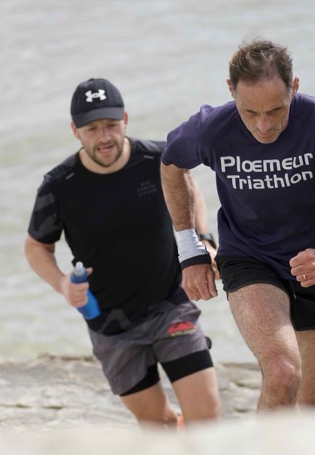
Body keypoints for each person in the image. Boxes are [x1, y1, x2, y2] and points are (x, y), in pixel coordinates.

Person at [160, 39, 315, 411]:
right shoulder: (211, 129)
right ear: (231, 90)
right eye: (250, 112)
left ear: (295, 87)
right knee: (283, 370)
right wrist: (190, 251)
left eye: (276, 110)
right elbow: (171, 166)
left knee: (314, 412)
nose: (264, 125)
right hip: (249, 258)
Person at [24, 78, 223, 427]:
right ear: (75, 130)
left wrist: (202, 241)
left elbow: (191, 192)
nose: (104, 137)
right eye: (92, 128)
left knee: (206, 421)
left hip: (170, 304)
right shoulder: (59, 186)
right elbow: (36, 246)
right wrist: (62, 285)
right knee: (159, 426)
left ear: (125, 120)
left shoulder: (159, 160)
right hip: (110, 324)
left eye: (111, 125)